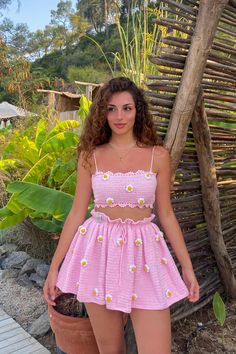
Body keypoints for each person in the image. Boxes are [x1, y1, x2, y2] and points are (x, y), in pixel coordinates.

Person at [44, 77, 199, 354]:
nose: (119, 116)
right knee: (110, 349)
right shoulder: (90, 156)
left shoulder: (158, 156)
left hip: (145, 254)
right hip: (98, 251)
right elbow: (77, 212)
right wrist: (55, 267)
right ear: (102, 113)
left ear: (138, 110)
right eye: (111, 109)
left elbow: (165, 213)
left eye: (127, 108)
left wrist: (186, 267)